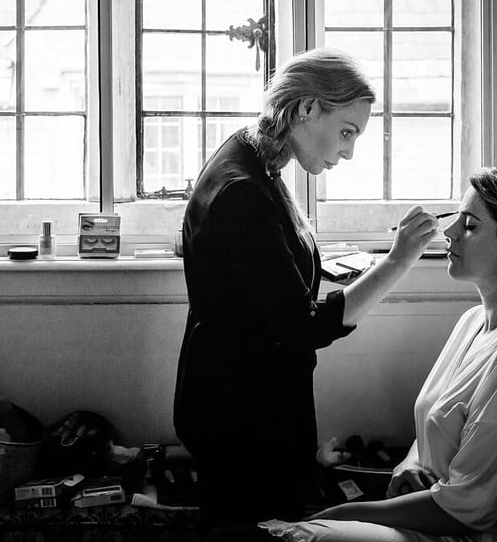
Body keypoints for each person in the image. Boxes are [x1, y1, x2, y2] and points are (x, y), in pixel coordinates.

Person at [173, 47, 442, 531]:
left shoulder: (251, 155)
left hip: (237, 397)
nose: (348, 151)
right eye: (346, 132)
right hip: (241, 414)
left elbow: (261, 277)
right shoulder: (244, 191)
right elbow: (302, 327)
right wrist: (398, 261)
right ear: (306, 109)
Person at [252, 163, 497, 542]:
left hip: (478, 533)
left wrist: (350, 511)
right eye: (456, 219)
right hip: (431, 511)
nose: (449, 232)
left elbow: (466, 511)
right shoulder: (474, 322)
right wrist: (409, 465)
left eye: (470, 225)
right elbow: (436, 424)